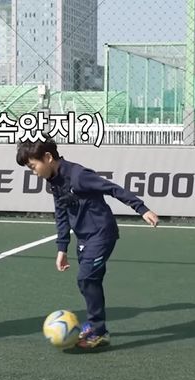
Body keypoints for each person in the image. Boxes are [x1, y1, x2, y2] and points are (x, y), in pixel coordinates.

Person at [16, 138, 159, 349]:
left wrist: (141, 208)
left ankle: (98, 331)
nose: (34, 172)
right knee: (90, 282)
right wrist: (62, 248)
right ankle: (96, 328)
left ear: (47, 158)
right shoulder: (54, 181)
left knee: (86, 278)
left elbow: (112, 189)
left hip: (102, 234)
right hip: (84, 238)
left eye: (33, 166)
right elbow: (61, 213)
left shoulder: (78, 175)